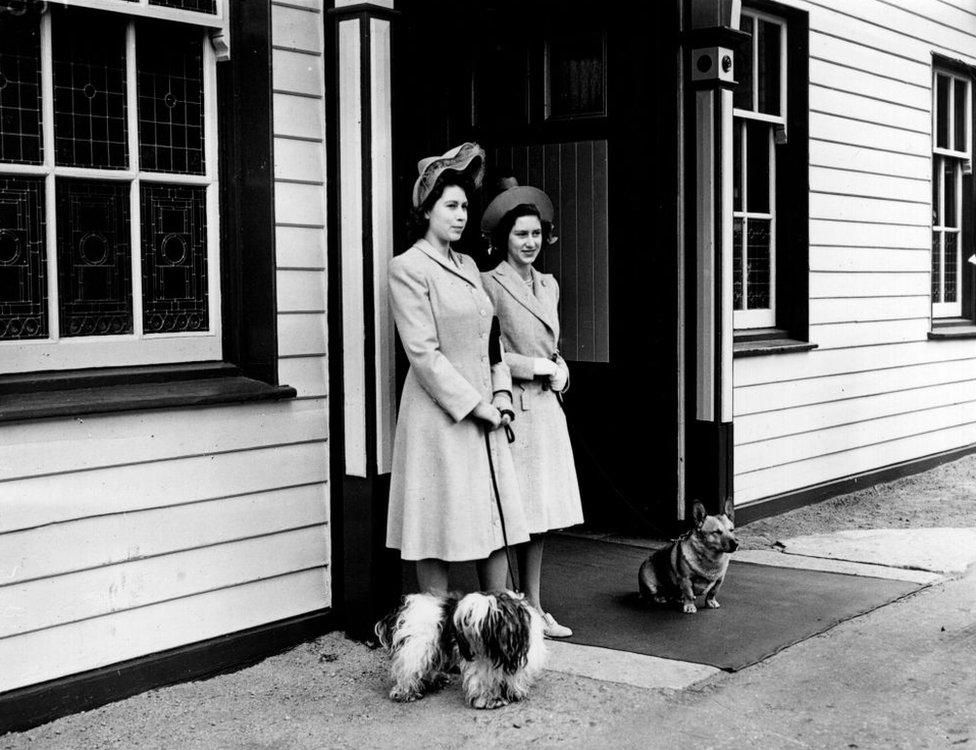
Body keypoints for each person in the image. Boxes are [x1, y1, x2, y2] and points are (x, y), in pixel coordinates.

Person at [386, 143, 530, 596]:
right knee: (436, 526)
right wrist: (477, 407)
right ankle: (433, 640)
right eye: (450, 205)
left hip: (488, 409)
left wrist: (502, 395)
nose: (460, 215)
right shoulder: (407, 267)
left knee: (494, 517)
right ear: (426, 210)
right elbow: (424, 354)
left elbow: (493, 341)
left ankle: (495, 626)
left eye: (465, 206)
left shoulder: (469, 264)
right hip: (440, 417)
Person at [480, 181, 584, 638]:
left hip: (546, 407)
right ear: (504, 238)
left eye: (536, 234)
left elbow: (552, 344)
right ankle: (505, 609)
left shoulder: (550, 284)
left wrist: (561, 368)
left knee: (539, 514)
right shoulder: (489, 283)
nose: (530, 243)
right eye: (521, 234)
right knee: (510, 512)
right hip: (513, 408)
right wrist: (537, 366)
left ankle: (536, 606)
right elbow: (490, 351)